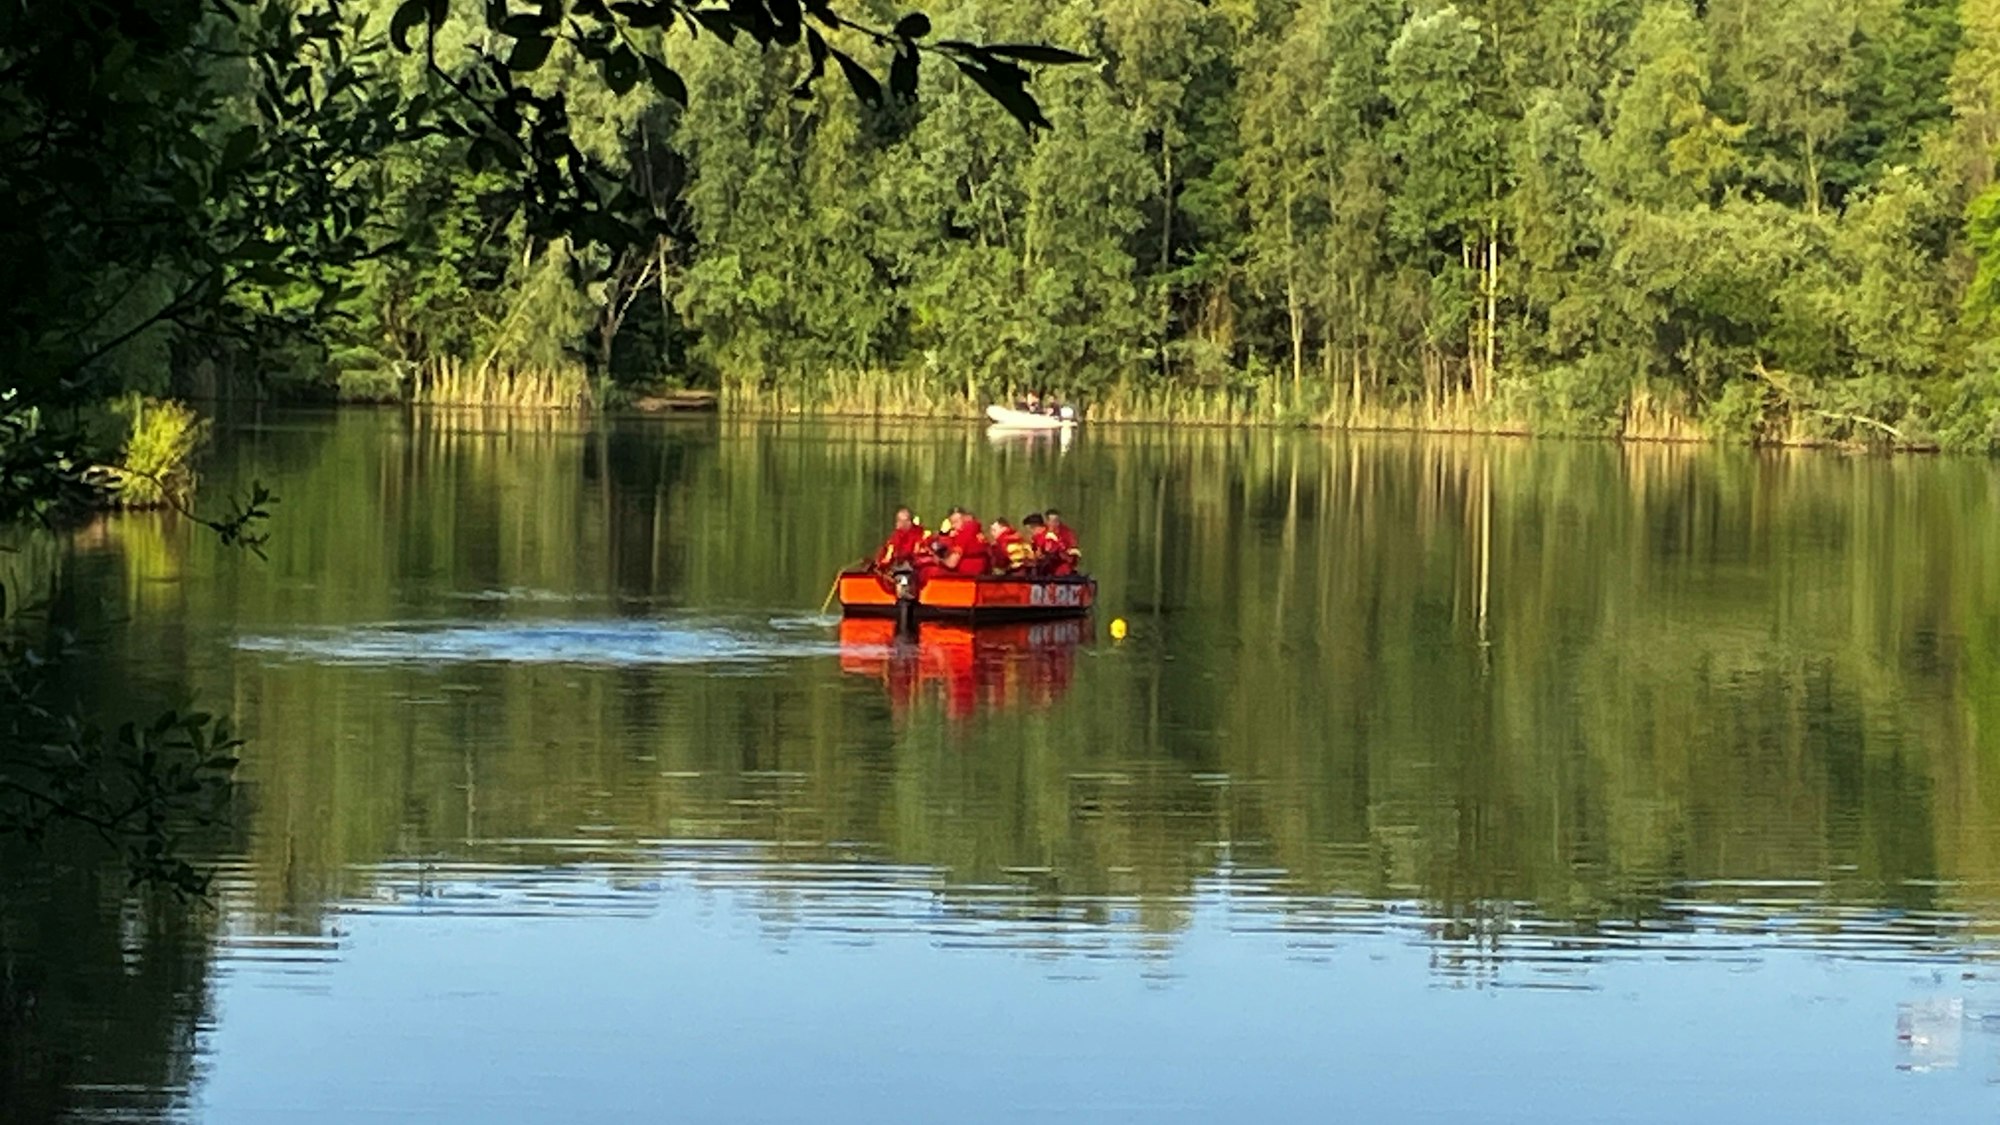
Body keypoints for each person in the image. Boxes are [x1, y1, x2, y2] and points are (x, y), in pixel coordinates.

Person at [1040, 508, 1081, 576]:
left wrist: (1059, 545)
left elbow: (1073, 551)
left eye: (1056, 521)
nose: (1054, 524)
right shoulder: (1042, 534)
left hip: (1063, 567)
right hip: (1045, 567)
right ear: (1047, 522)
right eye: (1052, 521)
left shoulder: (1067, 533)